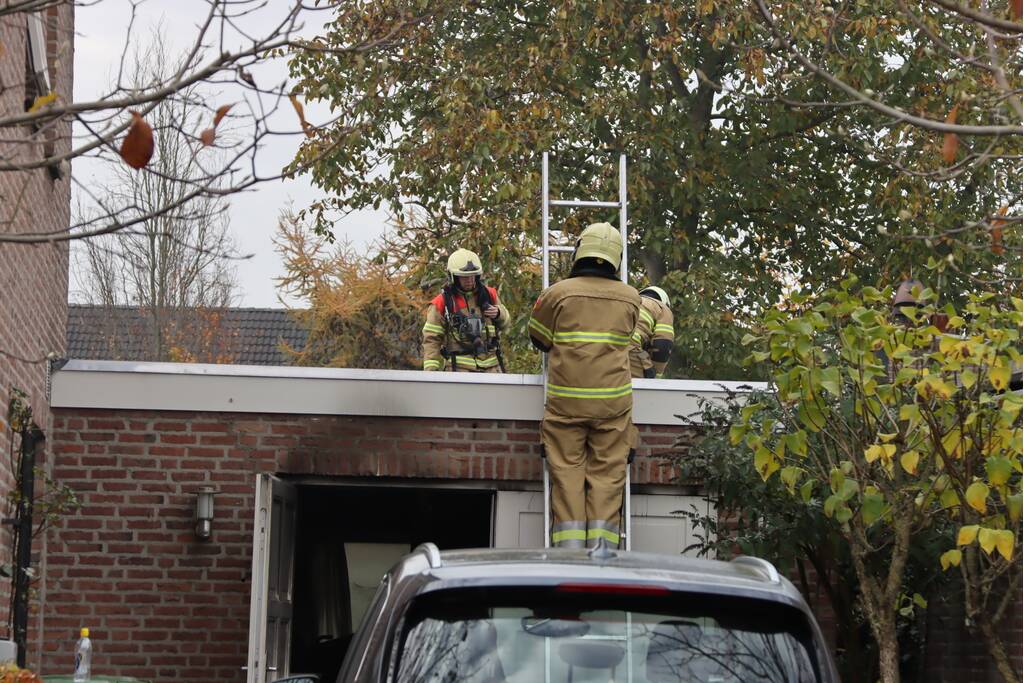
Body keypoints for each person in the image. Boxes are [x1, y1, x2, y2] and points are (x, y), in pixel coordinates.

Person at [529, 222, 641, 548]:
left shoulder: (557, 293)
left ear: (580, 252)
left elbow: (539, 338)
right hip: (613, 406)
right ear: (616, 257)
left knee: (566, 474)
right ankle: (602, 549)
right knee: (608, 478)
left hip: (566, 405)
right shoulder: (632, 299)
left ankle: (569, 547)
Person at [422, 248, 509, 372]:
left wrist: (499, 314)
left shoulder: (490, 295)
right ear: (454, 277)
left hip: (492, 369)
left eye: (473, 276)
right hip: (459, 370)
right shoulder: (441, 303)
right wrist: (431, 374)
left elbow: (506, 325)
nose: (470, 280)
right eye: (464, 277)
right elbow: (431, 340)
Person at [629, 286, 675, 379]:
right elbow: (663, 345)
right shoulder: (662, 308)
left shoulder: (629, 302)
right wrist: (656, 376)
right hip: (631, 350)